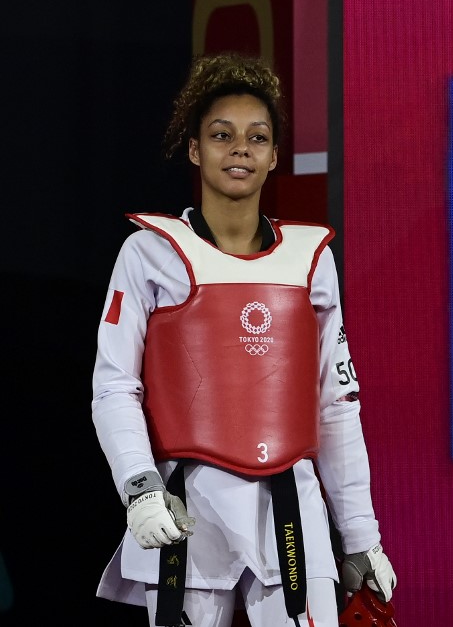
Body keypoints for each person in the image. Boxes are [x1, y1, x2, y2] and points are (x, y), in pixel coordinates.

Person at [91, 51, 396, 627]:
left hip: (294, 517)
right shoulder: (150, 252)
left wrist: (360, 537)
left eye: (257, 137)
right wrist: (139, 487)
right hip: (185, 514)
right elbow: (113, 386)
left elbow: (338, 404)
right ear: (194, 149)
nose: (240, 149)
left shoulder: (313, 262)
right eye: (222, 135)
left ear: (275, 154)